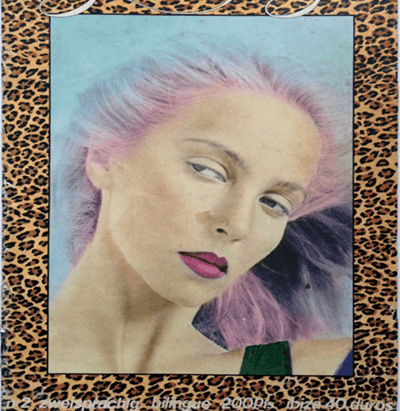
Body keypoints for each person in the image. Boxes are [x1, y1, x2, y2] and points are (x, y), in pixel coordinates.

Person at [49, 43, 352, 375]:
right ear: (103, 158)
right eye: (208, 170)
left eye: (274, 203)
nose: (237, 225)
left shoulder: (324, 369)